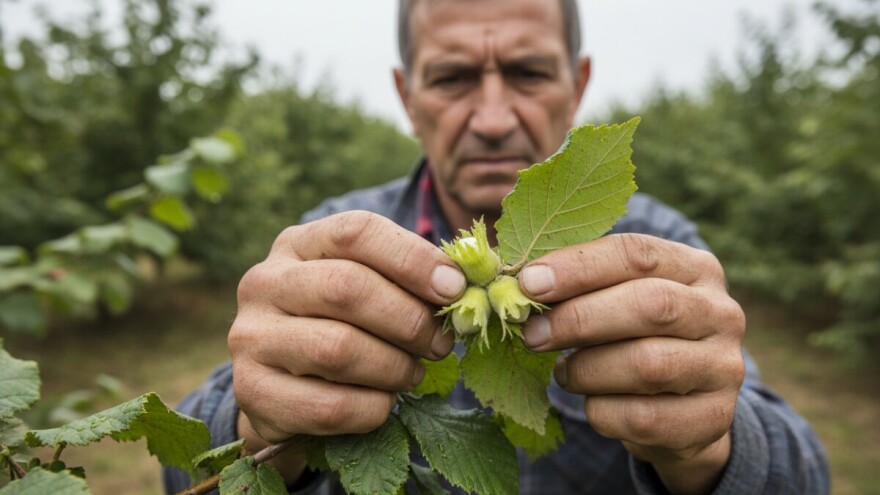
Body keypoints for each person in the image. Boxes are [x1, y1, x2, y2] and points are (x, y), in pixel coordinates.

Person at [164, 0, 829, 493]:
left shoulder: (655, 249)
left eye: (528, 73)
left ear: (578, 85)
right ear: (407, 96)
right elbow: (181, 470)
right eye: (452, 78)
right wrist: (256, 426)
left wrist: (712, 448)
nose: (490, 118)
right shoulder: (336, 242)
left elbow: (808, 474)